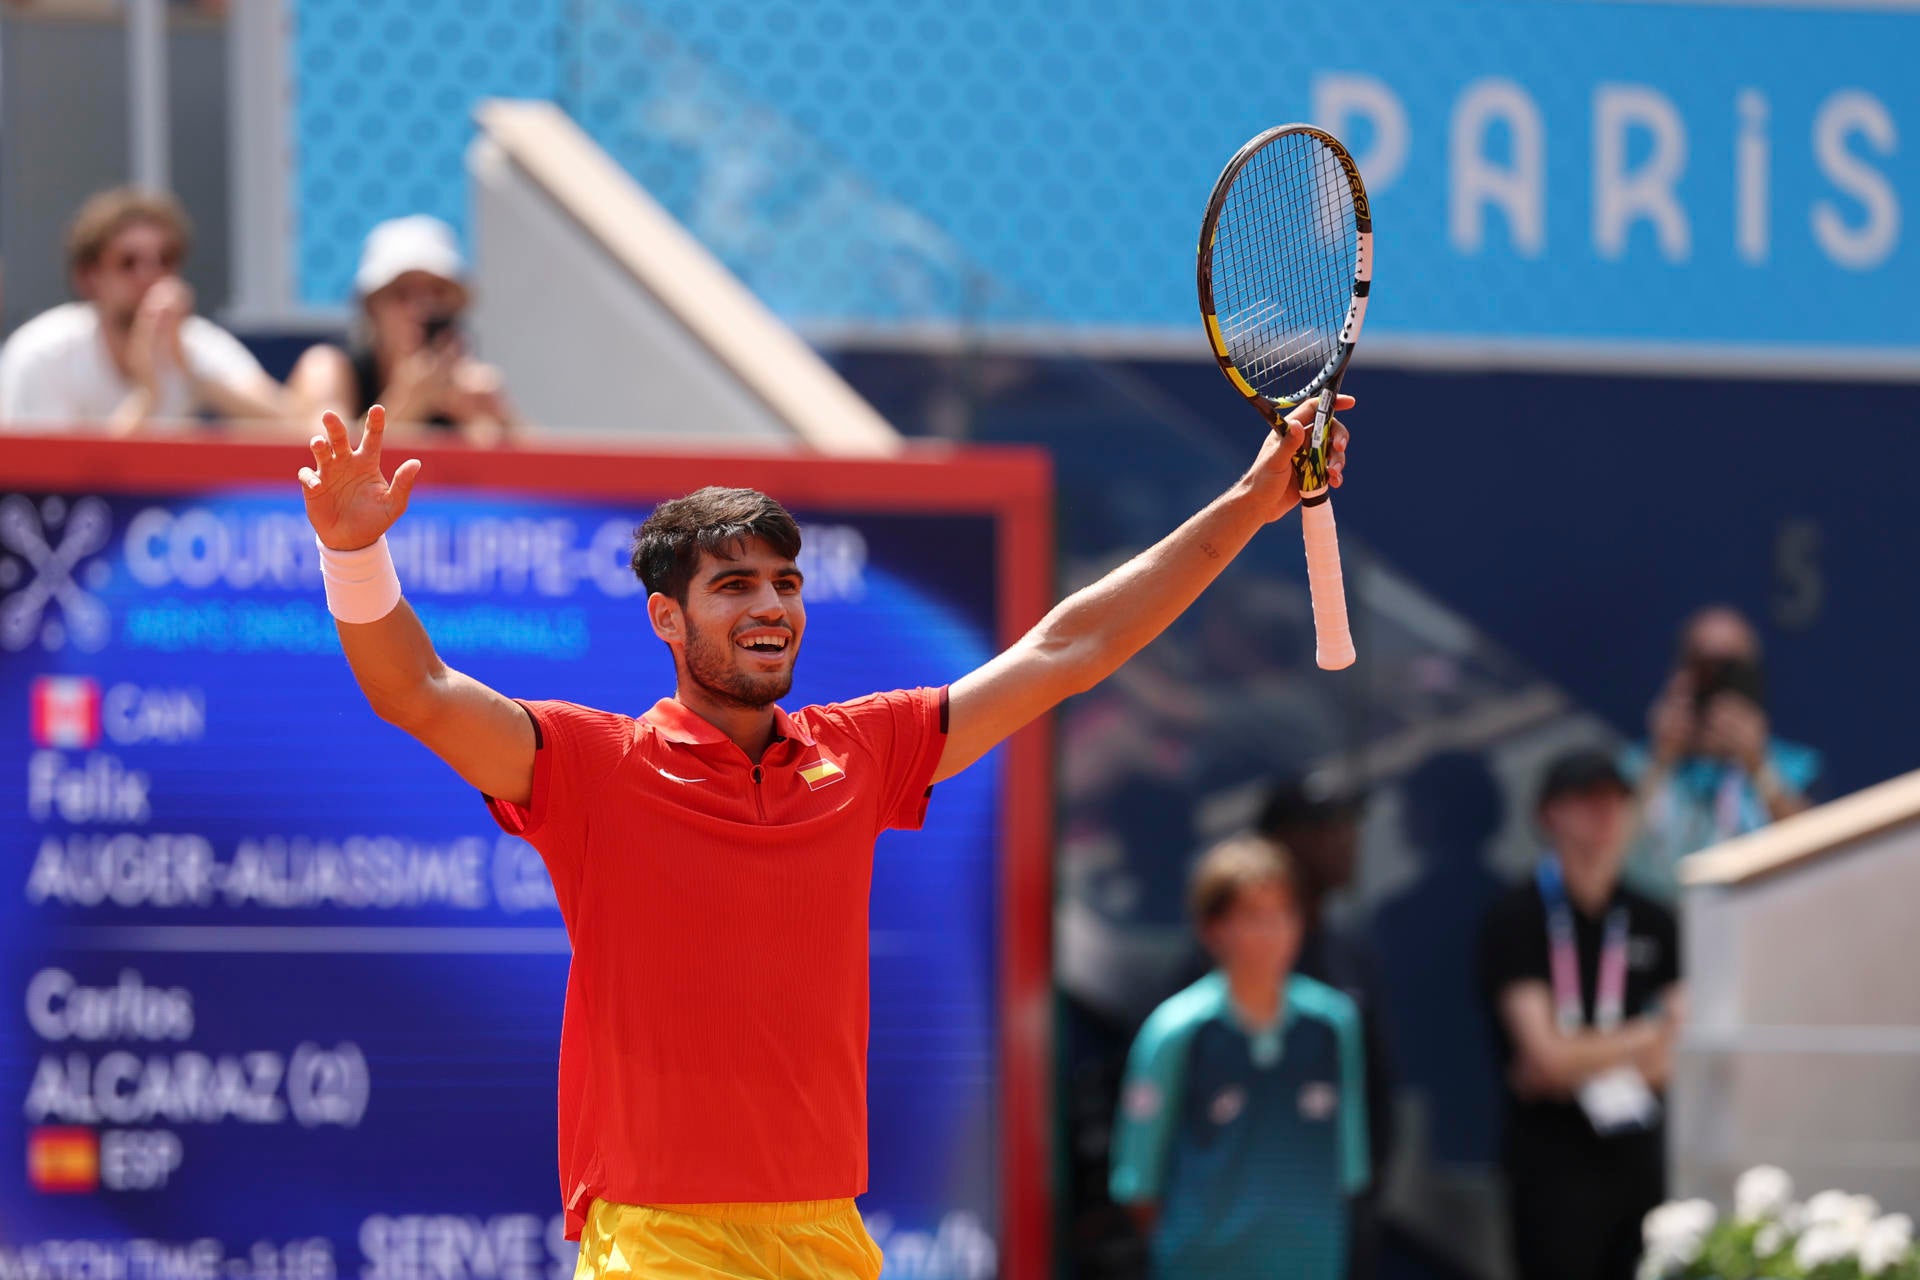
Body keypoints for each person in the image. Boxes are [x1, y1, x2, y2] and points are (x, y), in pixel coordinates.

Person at [296, 393, 1352, 1279]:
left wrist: (1252, 500)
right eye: (734, 585)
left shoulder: (865, 749)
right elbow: (417, 690)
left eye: (786, 582)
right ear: (667, 618)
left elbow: (1071, 645)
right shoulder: (591, 764)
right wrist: (354, 554)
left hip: (823, 1234)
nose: (771, 604)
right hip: (661, 1239)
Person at [1109, 833, 1369, 1280]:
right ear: (1213, 929)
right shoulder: (1175, 1031)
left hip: (1310, 1265)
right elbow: (1140, 1184)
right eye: (1253, 917)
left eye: (1283, 914)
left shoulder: (1334, 1024)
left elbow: (1349, 1170)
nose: (1273, 933)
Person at [1479, 748, 1684, 1280]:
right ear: (1550, 814)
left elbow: (1683, 1048)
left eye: (1617, 800)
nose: (1606, 814)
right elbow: (1542, 1057)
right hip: (1552, 1166)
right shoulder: (1518, 918)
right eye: (1589, 800)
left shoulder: (1653, 918)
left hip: (1638, 1159)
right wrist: (1645, 1036)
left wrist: (1575, 1060)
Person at [1257, 773, 1397, 1280]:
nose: (1347, 840)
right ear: (1280, 844)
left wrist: (1364, 1189)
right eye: (1325, 828)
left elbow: (1376, 1086)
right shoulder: (1231, 963)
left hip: (1341, 1214)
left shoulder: (1349, 952)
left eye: (1348, 825)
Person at [0, 187, 285, 431]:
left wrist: (190, 369)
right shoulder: (42, 353)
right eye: (128, 262)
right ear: (89, 277)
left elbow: (288, 425)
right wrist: (147, 393)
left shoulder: (191, 341)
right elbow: (57, 472)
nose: (150, 275)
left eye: (165, 259)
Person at [1624, 605, 1818, 900]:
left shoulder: (1794, 767)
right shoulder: (1637, 764)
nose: (1715, 683)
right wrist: (1660, 759)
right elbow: (1607, 861)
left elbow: (1817, 854)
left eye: (1730, 669)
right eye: (1702, 666)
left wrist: (1758, 766)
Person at [288, 215, 515, 446]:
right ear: (372, 307)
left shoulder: (470, 387)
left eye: (437, 293)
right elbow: (323, 456)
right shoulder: (326, 369)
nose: (422, 308)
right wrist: (407, 403)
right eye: (402, 294)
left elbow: (526, 462)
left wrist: (503, 422)